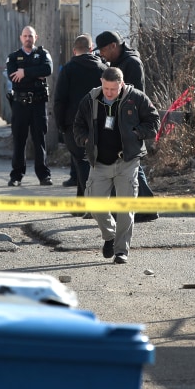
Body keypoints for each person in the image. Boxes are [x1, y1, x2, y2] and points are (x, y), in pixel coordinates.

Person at [73, 67, 160, 264]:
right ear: (101, 82)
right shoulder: (91, 99)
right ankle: (109, 236)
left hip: (126, 161)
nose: (109, 92)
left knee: (126, 208)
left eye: (113, 89)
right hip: (100, 161)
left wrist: (137, 133)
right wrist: (85, 139)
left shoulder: (136, 98)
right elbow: (77, 124)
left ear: (121, 84)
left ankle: (121, 251)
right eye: (106, 88)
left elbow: (154, 121)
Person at [95, 30, 159, 222]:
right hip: (117, 120)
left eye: (104, 51)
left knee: (129, 162)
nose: (102, 55)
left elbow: (134, 95)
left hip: (128, 121)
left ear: (113, 46)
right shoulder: (117, 63)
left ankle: (146, 208)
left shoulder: (131, 63)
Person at [53, 34, 108, 200]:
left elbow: (60, 100)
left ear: (74, 50)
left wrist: (60, 124)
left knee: (81, 162)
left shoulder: (68, 69)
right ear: (91, 49)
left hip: (74, 124)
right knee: (96, 162)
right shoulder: (103, 69)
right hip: (100, 122)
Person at [6, 26, 53, 187]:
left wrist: (24, 73)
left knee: (40, 139)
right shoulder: (13, 57)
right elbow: (13, 77)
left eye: (30, 36)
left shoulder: (42, 54)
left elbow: (47, 69)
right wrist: (35, 74)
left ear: (36, 37)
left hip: (39, 104)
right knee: (19, 140)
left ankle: (44, 175)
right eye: (25, 36)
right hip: (20, 104)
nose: (28, 38)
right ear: (21, 38)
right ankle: (16, 176)